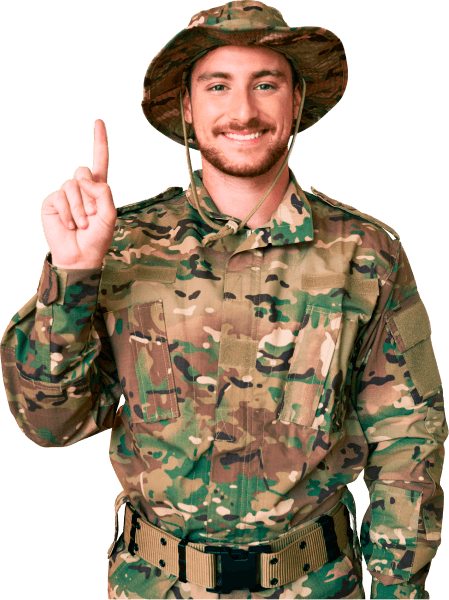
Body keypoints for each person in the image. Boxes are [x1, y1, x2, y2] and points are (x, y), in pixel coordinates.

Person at [1, 1, 445, 599]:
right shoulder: (121, 245)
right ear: (187, 106)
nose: (243, 111)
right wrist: (73, 276)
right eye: (218, 85)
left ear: (296, 99)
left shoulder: (366, 253)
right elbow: (50, 425)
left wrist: (398, 590)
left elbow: (409, 440)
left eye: (266, 84)